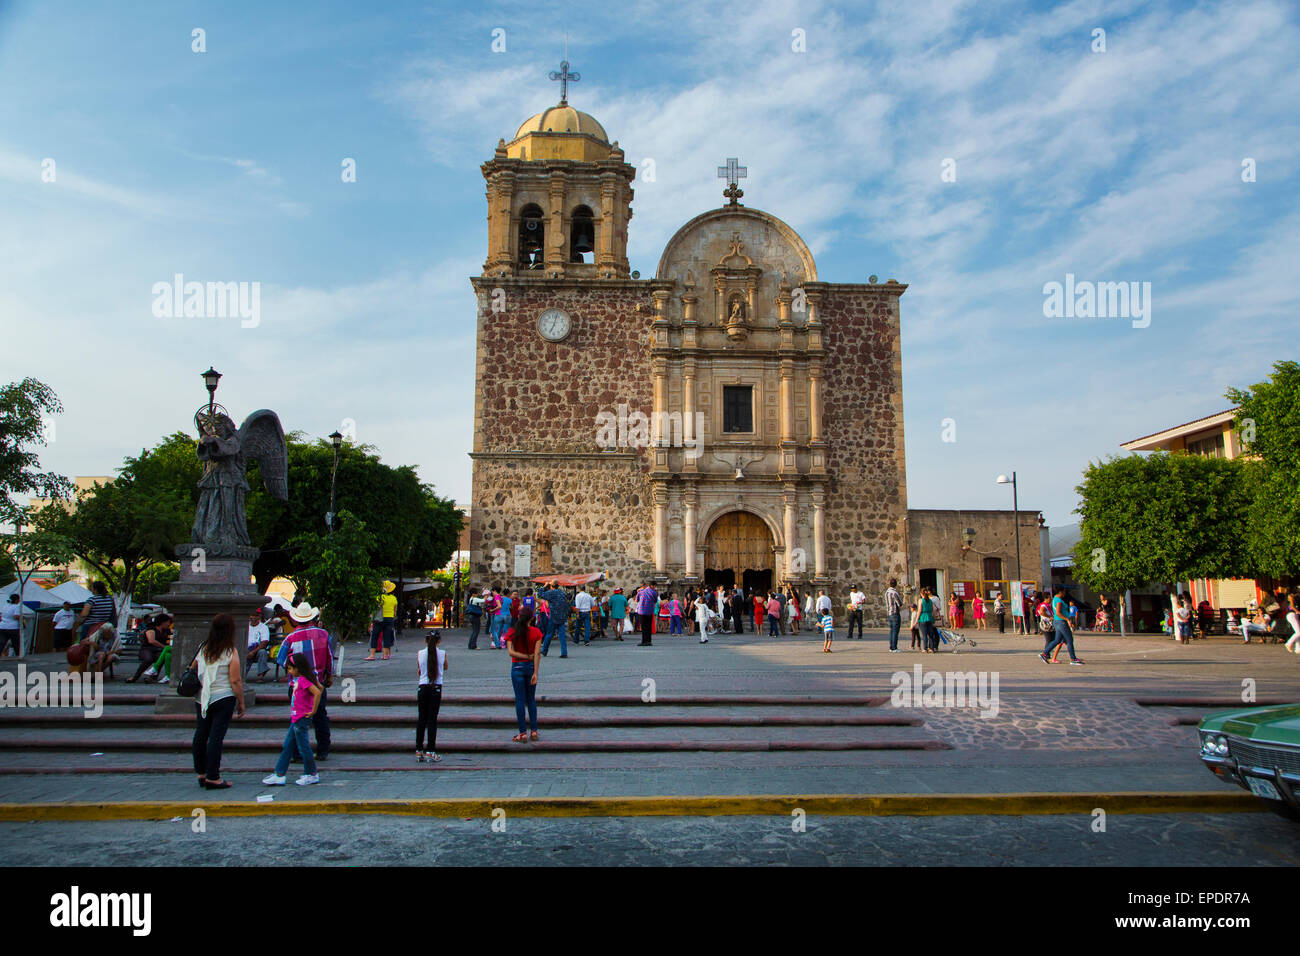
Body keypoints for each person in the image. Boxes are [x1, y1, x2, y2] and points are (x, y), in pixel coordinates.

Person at [191, 613, 245, 790]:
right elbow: (235, 680)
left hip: (202, 697)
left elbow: (193, 669)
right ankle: (213, 776)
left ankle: (201, 772)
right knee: (215, 738)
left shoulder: (203, 648)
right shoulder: (230, 651)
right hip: (223, 697)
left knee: (201, 734)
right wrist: (241, 701)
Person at [276, 602, 334, 761]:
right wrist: (329, 675)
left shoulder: (291, 638)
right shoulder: (323, 635)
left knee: (297, 718)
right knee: (320, 716)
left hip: (297, 685)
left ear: (295, 619)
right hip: (317, 683)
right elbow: (330, 658)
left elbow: (281, 660)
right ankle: (323, 750)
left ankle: (296, 753)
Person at [262, 651, 322, 786]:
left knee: (303, 747)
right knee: (288, 745)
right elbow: (320, 688)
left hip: (301, 717)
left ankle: (311, 773)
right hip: (297, 716)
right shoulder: (301, 680)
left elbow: (318, 692)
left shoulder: (303, 680)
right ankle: (279, 773)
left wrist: (313, 709)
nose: (289, 671)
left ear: (298, 668)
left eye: (290, 668)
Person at [506, 608, 543, 742]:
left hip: (517, 667)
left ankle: (522, 733)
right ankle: (534, 731)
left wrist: (523, 656)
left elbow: (511, 652)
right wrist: (536, 673)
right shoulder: (536, 632)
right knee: (531, 699)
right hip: (530, 667)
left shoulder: (512, 632)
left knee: (520, 700)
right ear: (531, 618)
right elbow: (537, 654)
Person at [416, 631, 446, 762]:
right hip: (436, 688)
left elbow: (419, 671)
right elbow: (445, 667)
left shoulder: (420, 653)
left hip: (422, 687)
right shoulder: (442, 653)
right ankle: (431, 750)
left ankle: (418, 750)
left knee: (421, 719)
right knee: (432, 720)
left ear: (425, 640)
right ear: (439, 641)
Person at [1040, 586, 1083, 665]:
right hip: (1061, 622)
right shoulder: (1058, 600)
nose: (1065, 593)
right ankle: (1073, 659)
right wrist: (1067, 619)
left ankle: (1044, 653)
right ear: (1061, 592)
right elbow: (1058, 613)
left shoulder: (1054, 599)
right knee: (1069, 640)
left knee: (1057, 640)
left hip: (1057, 622)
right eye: (1064, 591)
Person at [127, 613, 171, 683]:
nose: (169, 624)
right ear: (163, 622)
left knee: (162, 657)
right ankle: (135, 677)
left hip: (158, 650)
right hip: (147, 649)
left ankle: (152, 677)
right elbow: (151, 641)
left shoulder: (166, 630)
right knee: (148, 659)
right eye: (168, 622)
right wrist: (164, 646)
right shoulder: (151, 628)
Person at [366, 580, 398, 661]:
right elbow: (395, 610)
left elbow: (374, 610)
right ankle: (384, 655)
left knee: (375, 637)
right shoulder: (394, 598)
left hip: (379, 619)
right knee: (387, 637)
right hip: (389, 619)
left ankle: (372, 655)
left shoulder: (379, 598)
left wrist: (371, 621)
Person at [539, 583, 570, 657]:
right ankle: (564, 652)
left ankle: (544, 650)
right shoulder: (562, 593)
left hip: (553, 616)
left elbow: (540, 594)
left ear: (551, 586)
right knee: (562, 635)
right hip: (562, 617)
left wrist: (544, 586)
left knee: (549, 634)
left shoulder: (551, 593)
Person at [244, 608, 272, 681]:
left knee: (263, 652)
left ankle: (261, 675)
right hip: (246, 649)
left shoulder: (264, 627)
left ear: (259, 616)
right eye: (251, 615)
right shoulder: (245, 626)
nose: (253, 617)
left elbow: (264, 642)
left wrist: (253, 652)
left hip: (257, 650)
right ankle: (242, 674)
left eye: (255, 616)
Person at [917, 588, 940, 653]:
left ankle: (925, 648)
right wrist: (934, 617)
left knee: (924, 634)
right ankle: (931, 648)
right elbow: (933, 610)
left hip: (923, 617)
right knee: (931, 634)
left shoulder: (921, 600)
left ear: (921, 594)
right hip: (930, 617)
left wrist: (916, 619)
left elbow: (919, 610)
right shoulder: (930, 601)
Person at [636, 582, 658, 646]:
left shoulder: (641, 591)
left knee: (643, 627)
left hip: (642, 611)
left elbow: (637, 600)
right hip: (650, 611)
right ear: (651, 586)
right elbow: (655, 600)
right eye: (654, 586)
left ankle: (644, 641)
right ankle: (648, 641)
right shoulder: (654, 592)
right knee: (649, 627)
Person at [885, 578, 903, 652]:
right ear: (895, 584)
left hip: (889, 613)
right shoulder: (894, 593)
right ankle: (894, 647)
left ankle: (891, 647)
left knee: (892, 630)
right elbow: (900, 603)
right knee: (895, 631)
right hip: (895, 613)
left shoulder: (886, 592)